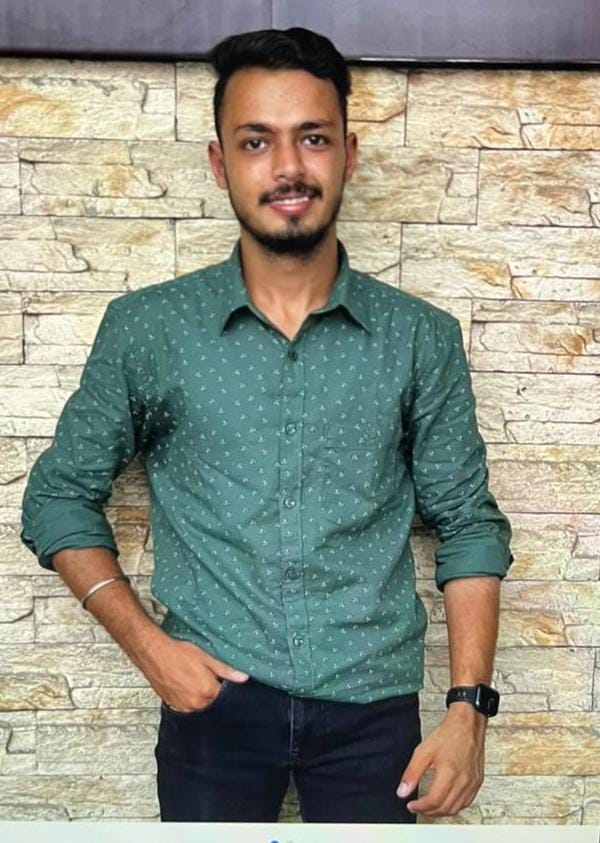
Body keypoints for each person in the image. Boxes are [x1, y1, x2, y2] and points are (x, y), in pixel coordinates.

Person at [20, 27, 514, 824]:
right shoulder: (151, 329)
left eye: (312, 137)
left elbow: (467, 523)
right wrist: (149, 647)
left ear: (348, 154)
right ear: (221, 163)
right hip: (211, 706)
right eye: (257, 141)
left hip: (373, 710)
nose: (288, 167)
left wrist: (469, 711)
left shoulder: (419, 337)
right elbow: (56, 499)